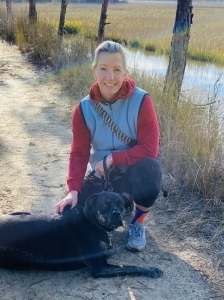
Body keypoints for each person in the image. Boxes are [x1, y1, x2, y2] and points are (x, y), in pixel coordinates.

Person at [55, 40, 162, 252]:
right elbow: (78, 154)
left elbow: (150, 149)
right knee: (71, 214)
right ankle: (109, 214)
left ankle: (137, 222)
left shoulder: (142, 101)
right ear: (94, 71)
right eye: (103, 69)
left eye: (116, 70)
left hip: (134, 175)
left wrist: (114, 158)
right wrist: (73, 190)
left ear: (125, 73)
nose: (110, 77)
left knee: (151, 168)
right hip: (102, 177)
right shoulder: (83, 109)